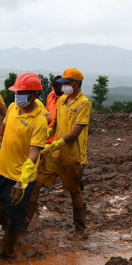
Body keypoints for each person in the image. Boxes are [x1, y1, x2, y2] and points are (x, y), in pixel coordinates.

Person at [0, 73, 48, 258]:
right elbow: (2, 131)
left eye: (22, 92)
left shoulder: (39, 121)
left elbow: (34, 153)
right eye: (16, 92)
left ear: (34, 95)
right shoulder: (12, 108)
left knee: (16, 216)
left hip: (20, 177)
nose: (17, 96)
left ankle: (8, 252)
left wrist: (22, 181)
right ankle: (11, 229)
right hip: (2, 170)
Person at [31, 68, 92, 235]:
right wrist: (44, 136)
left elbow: (74, 133)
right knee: (35, 185)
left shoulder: (84, 104)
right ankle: (23, 226)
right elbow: (56, 125)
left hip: (71, 156)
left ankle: (80, 230)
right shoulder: (62, 100)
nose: (64, 87)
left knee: (74, 192)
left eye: (67, 83)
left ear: (76, 83)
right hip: (54, 155)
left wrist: (52, 146)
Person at [45, 75, 63, 143]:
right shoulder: (50, 96)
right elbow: (46, 112)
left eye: (59, 88)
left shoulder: (67, 99)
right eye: (55, 88)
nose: (56, 90)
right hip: (49, 134)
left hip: (60, 136)